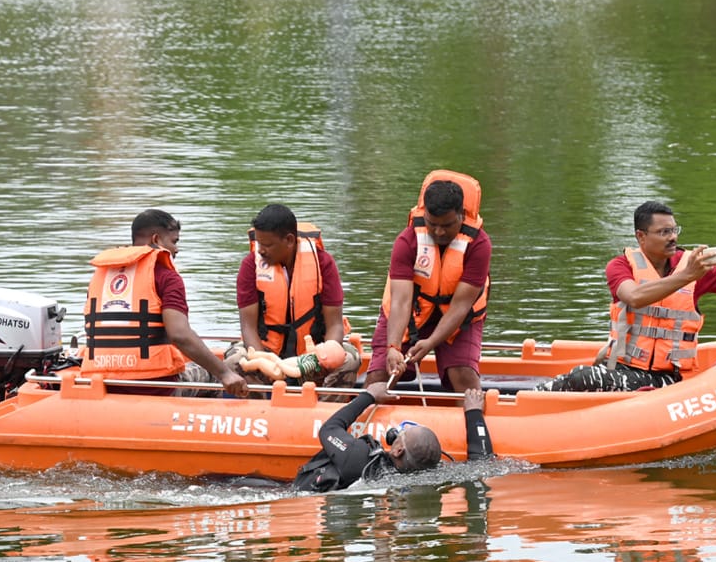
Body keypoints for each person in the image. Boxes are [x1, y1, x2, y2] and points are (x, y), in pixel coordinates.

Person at [537, 200, 716, 392]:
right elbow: (634, 296)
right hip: (620, 367)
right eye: (664, 232)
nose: (673, 237)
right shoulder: (620, 265)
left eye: (674, 230)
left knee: (584, 377)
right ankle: (530, 401)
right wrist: (688, 275)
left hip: (667, 377)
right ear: (641, 236)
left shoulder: (693, 268)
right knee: (584, 376)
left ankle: (533, 398)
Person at [80, 209, 249, 397]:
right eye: (174, 242)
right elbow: (179, 335)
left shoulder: (102, 276)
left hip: (104, 384)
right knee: (220, 372)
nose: (176, 249)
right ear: (156, 240)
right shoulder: (167, 277)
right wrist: (225, 373)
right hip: (156, 387)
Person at [365, 170, 491, 394]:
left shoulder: (479, 245)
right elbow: (400, 301)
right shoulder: (407, 241)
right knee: (380, 375)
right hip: (411, 311)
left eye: (447, 225)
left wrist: (431, 342)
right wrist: (393, 347)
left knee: (462, 375)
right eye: (433, 224)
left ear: (462, 215)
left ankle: (472, 422)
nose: (439, 232)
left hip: (458, 316)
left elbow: (461, 306)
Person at [233, 203, 358, 391]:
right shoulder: (250, 265)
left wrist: (313, 361)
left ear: (289, 240)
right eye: (259, 244)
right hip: (266, 355)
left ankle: (329, 415)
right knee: (234, 361)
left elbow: (335, 325)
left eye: (267, 245)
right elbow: (248, 327)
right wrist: (266, 362)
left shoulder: (323, 263)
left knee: (349, 359)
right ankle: (260, 415)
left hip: (312, 355)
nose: (260, 250)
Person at [291, 383, 495, 492]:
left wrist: (368, 396)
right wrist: (474, 414)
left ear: (397, 450)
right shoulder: (437, 475)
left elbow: (329, 429)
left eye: (403, 432)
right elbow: (483, 462)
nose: (399, 430)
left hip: (299, 494)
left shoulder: (360, 457)